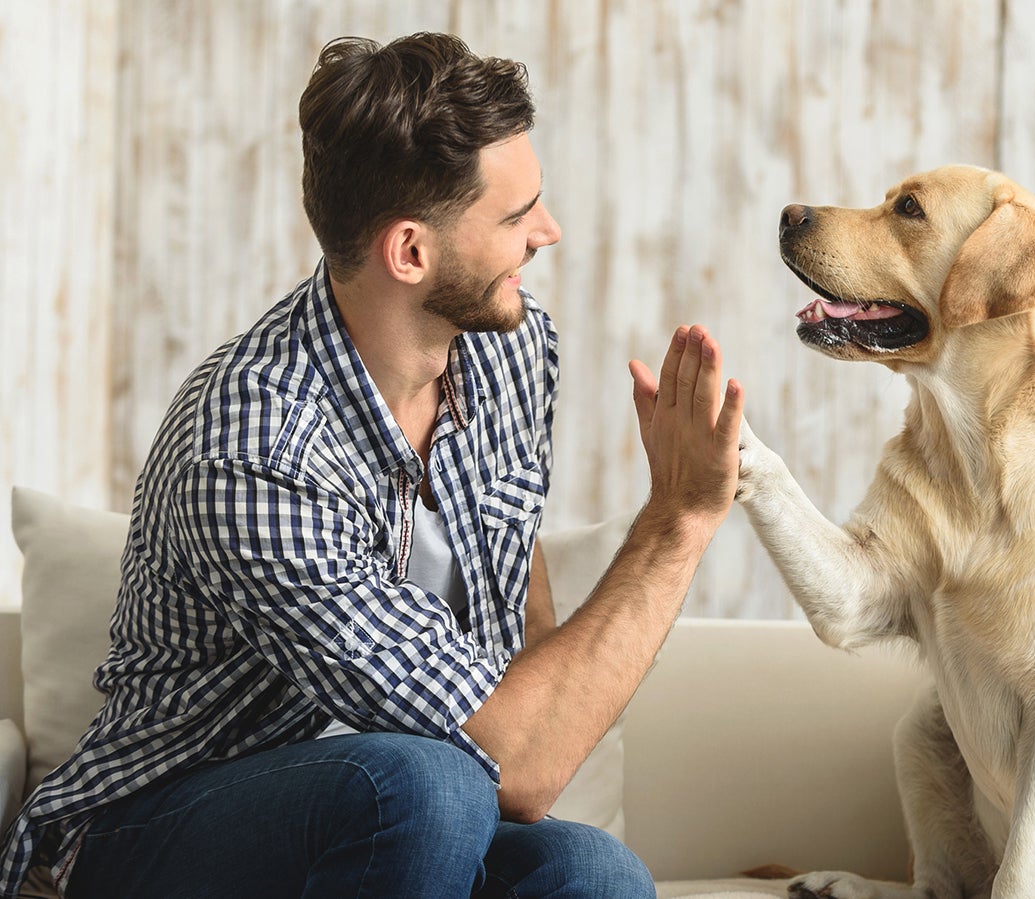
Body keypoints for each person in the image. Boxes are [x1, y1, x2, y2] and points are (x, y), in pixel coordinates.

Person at [0, 31, 743, 898]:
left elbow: (516, 574)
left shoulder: (509, 346)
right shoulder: (253, 447)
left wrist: (530, 709)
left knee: (594, 872)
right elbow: (522, 764)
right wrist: (678, 519)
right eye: (515, 216)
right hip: (158, 831)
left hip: (410, 824)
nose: (549, 232)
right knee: (426, 786)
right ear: (411, 252)